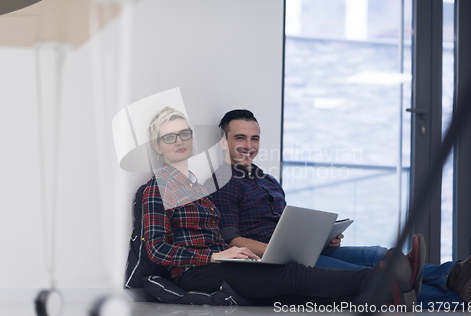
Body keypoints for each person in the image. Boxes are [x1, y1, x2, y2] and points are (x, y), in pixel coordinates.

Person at [140, 106, 423, 308]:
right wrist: (215, 257)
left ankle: (386, 293)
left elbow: (213, 236)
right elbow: (156, 249)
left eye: (184, 134)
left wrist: (233, 254)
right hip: (196, 271)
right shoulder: (159, 187)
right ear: (157, 145)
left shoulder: (196, 186)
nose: (180, 142)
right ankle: (381, 280)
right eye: (169, 137)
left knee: (295, 295)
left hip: (222, 262)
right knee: (293, 275)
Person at [205, 108, 471, 307]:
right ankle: (461, 299)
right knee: (376, 276)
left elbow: (286, 223)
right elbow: (232, 239)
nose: (249, 145)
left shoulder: (267, 179)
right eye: (239, 138)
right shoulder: (222, 182)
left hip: (299, 250)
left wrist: (322, 237)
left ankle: (454, 274)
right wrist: (279, 253)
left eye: (254, 138)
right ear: (223, 142)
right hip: (277, 260)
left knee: (376, 254)